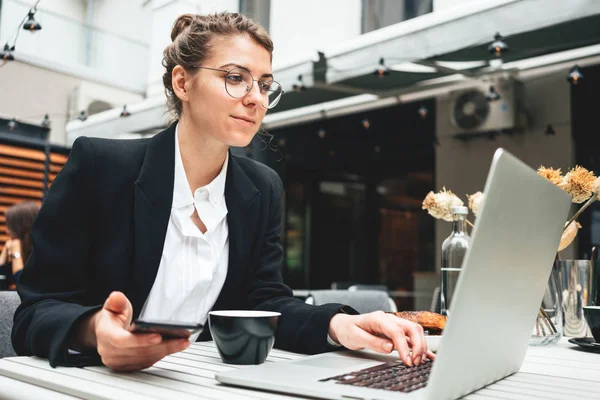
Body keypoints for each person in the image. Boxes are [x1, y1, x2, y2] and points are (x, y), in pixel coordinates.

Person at [12, 12, 433, 372]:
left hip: (206, 381)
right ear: (182, 82)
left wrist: (339, 325)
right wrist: (94, 332)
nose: (256, 100)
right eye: (236, 78)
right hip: (96, 381)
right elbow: (34, 311)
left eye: (264, 85)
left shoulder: (261, 187)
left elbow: (265, 302)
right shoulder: (101, 167)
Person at [0, 201, 40, 290]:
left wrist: (16, 253)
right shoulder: (22, 254)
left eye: (10, 227)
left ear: (22, 229)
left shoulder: (43, 255)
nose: (7, 231)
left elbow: (25, 287)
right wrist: (2, 258)